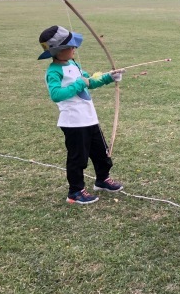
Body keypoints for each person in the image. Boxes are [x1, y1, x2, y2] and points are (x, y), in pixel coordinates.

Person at [38, 25, 124, 205]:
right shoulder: (54, 71)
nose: (74, 48)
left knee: (101, 152)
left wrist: (109, 77)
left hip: (89, 119)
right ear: (60, 50)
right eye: (71, 46)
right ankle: (75, 192)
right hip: (73, 122)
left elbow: (89, 82)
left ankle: (102, 179)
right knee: (78, 158)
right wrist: (79, 84)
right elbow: (56, 95)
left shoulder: (73, 64)